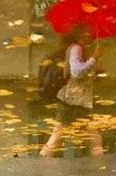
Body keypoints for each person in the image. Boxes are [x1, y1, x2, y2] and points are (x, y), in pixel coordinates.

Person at [39, 26, 103, 157]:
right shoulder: (76, 48)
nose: (88, 34)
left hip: (77, 100)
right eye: (85, 32)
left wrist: (94, 72)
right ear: (77, 34)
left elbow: (79, 73)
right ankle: (43, 163)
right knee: (60, 137)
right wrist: (94, 57)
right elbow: (76, 72)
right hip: (74, 100)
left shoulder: (77, 49)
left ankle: (43, 162)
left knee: (93, 137)